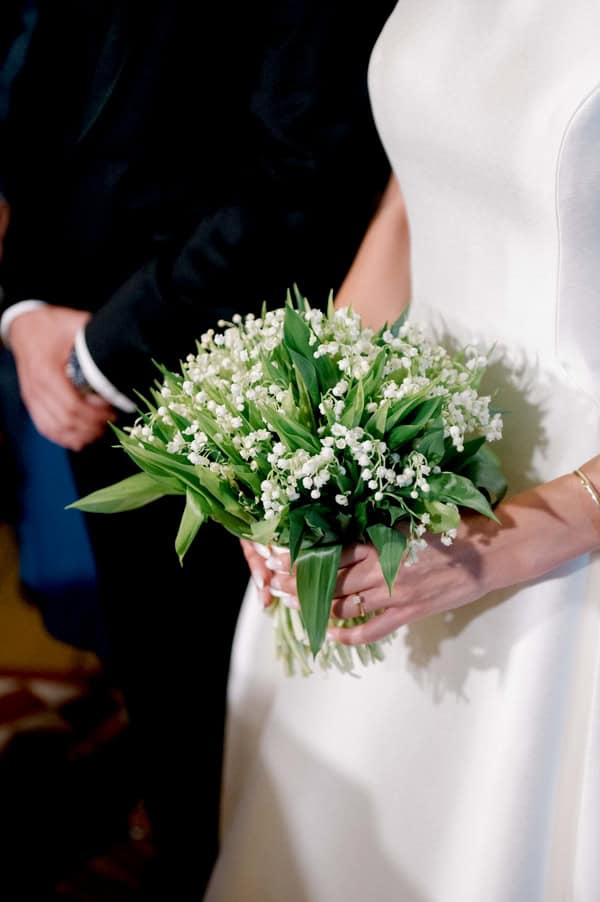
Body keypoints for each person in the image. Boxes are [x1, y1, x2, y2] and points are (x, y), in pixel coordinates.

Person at [205, 3, 600, 900]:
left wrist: (507, 543)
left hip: (563, 540)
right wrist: (295, 437)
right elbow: (408, 210)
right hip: (398, 459)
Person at [0, 1, 393, 895]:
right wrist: (25, 313)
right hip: (71, 359)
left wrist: (106, 349)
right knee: (165, 693)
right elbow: (41, 100)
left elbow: (312, 175)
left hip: (248, 372)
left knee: (250, 711)